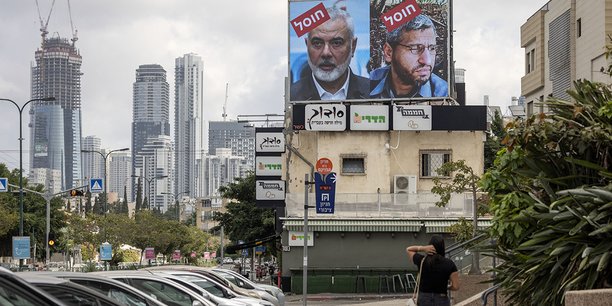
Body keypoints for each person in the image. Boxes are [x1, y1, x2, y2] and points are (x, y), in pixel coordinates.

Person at [290, 6, 369, 101]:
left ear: (353, 46)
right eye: (317, 43)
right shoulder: (292, 96)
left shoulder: (374, 93)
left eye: (336, 43)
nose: (326, 53)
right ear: (307, 46)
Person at [370, 14, 448, 98]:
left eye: (432, 48)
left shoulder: (444, 94)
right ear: (389, 52)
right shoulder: (367, 84)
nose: (427, 61)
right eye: (415, 48)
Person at [406, 235, 459, 306]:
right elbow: (456, 286)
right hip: (441, 298)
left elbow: (409, 249)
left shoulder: (421, 260)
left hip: (424, 298)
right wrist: (446, 287)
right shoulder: (449, 263)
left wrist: (423, 248)